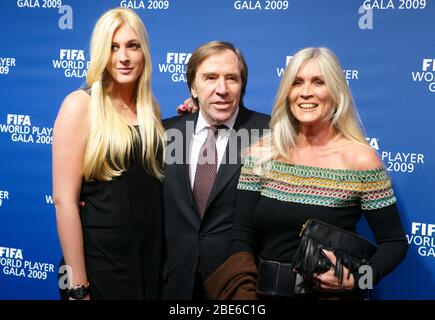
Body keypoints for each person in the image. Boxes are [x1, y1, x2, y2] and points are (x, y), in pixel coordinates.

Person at [205, 47, 408, 300]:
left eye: (318, 82)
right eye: (297, 82)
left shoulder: (361, 159)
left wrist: (358, 278)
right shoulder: (262, 153)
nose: (306, 92)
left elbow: (394, 243)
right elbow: (242, 238)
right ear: (287, 92)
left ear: (335, 91)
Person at [52, 8, 166, 300]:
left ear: (144, 53)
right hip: (101, 265)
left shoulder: (150, 110)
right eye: (113, 47)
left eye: (132, 46)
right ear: (101, 53)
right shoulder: (80, 105)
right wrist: (78, 286)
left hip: (148, 262)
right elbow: (65, 200)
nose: (123, 57)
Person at [162, 41, 270, 299]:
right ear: (193, 87)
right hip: (174, 286)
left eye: (231, 78)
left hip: (239, 288)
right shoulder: (165, 133)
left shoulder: (268, 133)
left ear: (242, 86)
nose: (221, 89)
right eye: (210, 77)